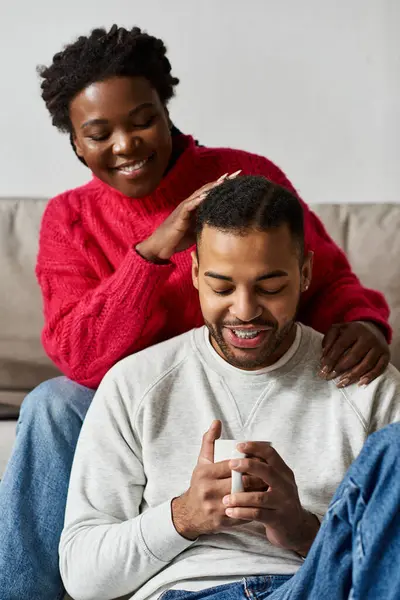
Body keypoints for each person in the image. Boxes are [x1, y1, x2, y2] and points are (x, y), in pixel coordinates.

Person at [0, 25, 392, 600]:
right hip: (144, 405)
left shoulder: (241, 176)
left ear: (166, 112)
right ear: (77, 146)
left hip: (261, 384)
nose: (127, 144)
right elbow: (80, 358)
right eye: (100, 133)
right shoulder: (71, 219)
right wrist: (154, 252)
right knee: (52, 402)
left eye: (142, 120)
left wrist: (363, 325)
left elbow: (322, 273)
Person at [59, 176, 400, 600]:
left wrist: (302, 529)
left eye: (270, 288)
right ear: (197, 274)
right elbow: (83, 577)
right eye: (222, 287)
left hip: (308, 588)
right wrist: (182, 517)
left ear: (306, 272)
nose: (244, 311)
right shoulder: (135, 383)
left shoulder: (364, 381)